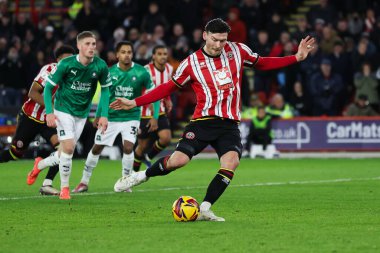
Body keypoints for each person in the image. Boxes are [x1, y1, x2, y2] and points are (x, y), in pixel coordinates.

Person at [111, 18, 315, 221]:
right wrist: (134, 102)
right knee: (177, 161)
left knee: (231, 163)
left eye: (223, 40)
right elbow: (168, 87)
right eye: (215, 40)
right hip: (203, 121)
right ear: (205, 35)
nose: (219, 45)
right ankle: (139, 176)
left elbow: (262, 63)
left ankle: (206, 208)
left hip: (229, 124)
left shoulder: (238, 50)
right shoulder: (191, 63)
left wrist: (296, 57)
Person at [27, 31, 112, 200]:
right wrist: (50, 113)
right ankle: (64, 189)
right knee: (69, 148)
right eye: (87, 44)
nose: (91, 47)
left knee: (65, 152)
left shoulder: (100, 66)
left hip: (81, 113)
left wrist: (103, 115)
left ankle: (40, 165)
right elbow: (49, 88)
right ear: (79, 46)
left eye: (93, 44)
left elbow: (106, 90)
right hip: (63, 109)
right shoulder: (66, 64)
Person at [72, 41, 159, 193]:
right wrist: (99, 116)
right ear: (117, 54)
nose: (127, 55)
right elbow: (104, 97)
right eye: (123, 52)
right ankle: (84, 182)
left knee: (128, 146)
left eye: (129, 52)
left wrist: (155, 116)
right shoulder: (109, 72)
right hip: (110, 117)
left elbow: (155, 95)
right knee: (97, 147)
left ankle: (125, 183)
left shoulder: (141, 72)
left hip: (131, 116)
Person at [0, 45, 75, 196]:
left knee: (63, 149)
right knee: (15, 153)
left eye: (72, 60)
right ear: (58, 60)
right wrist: (51, 108)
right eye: (67, 60)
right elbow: (32, 93)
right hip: (30, 117)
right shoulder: (49, 70)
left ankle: (47, 184)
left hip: (50, 121)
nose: (70, 63)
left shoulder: (73, 77)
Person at [133, 45, 173, 172]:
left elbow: (166, 87)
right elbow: (138, 90)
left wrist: (168, 99)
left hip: (160, 109)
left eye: (165, 54)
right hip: (144, 112)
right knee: (142, 146)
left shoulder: (169, 68)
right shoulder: (145, 70)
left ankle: (148, 157)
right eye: (160, 54)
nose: (163, 57)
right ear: (153, 56)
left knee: (166, 138)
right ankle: (133, 174)